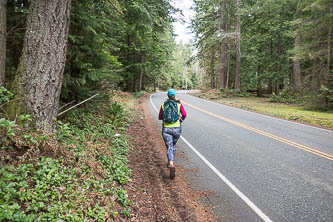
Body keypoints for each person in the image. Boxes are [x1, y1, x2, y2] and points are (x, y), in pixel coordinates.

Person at [158, 89, 187, 179]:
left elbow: (159, 117)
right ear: (174, 95)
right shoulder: (179, 104)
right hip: (177, 129)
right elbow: (185, 114)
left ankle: (170, 162)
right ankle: (170, 161)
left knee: (169, 146)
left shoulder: (163, 105)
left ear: (168, 96)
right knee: (173, 145)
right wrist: (180, 121)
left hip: (166, 129)